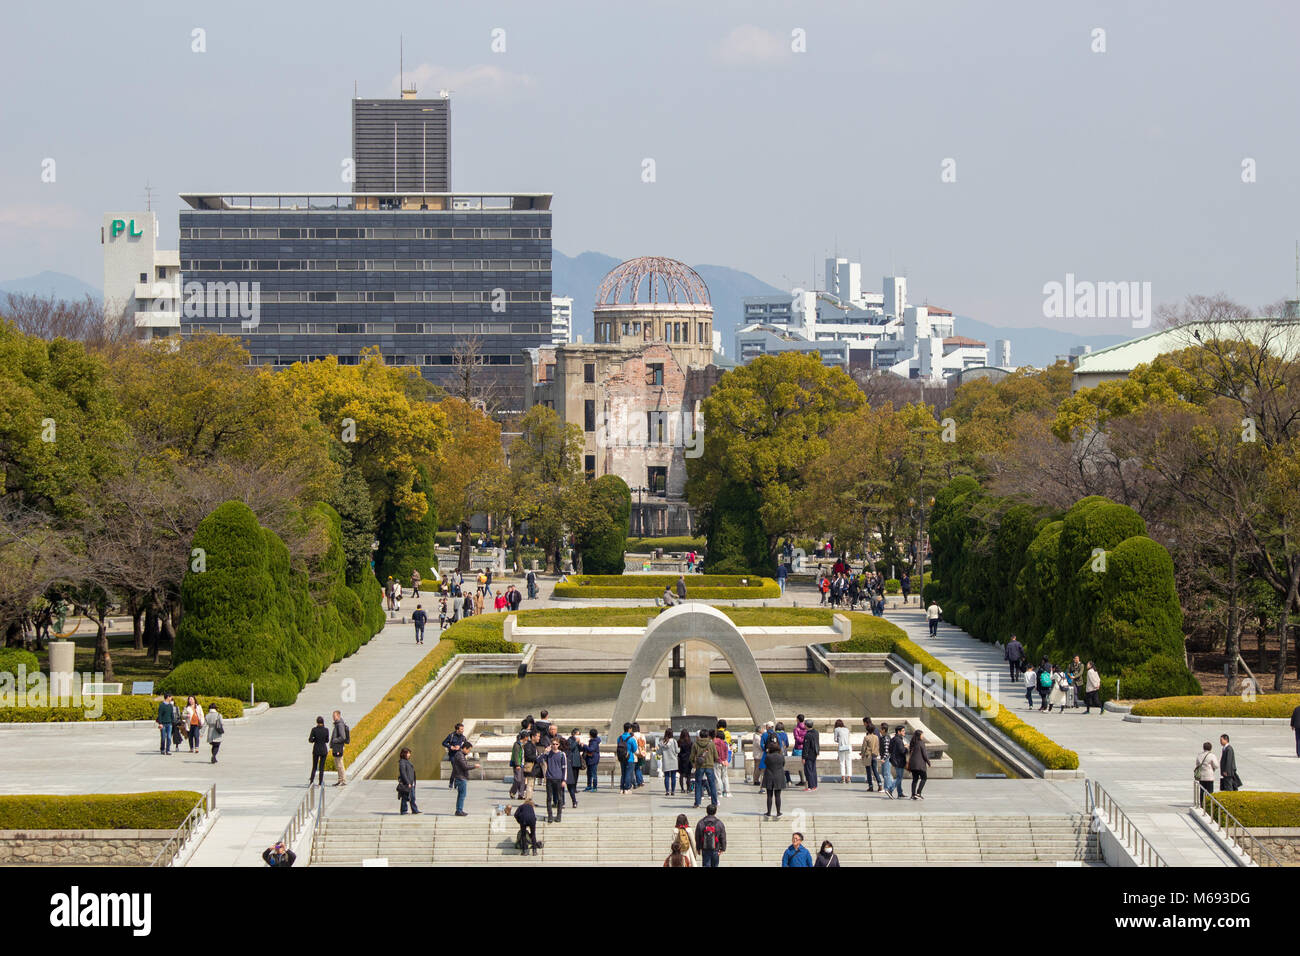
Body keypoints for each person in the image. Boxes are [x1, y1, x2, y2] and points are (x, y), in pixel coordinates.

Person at [690, 728, 718, 807]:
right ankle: (714, 803)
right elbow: (716, 756)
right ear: (707, 735)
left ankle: (697, 803)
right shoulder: (711, 744)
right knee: (712, 784)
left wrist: (694, 763)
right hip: (709, 766)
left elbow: (691, 757)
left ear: (700, 735)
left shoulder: (695, 744)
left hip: (699, 766)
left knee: (698, 784)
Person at [543, 738, 568, 823]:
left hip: (558, 779)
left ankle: (559, 815)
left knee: (560, 798)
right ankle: (550, 815)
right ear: (551, 745)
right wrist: (545, 752)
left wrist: (564, 780)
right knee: (549, 798)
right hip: (550, 778)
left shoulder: (562, 754)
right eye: (553, 744)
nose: (555, 746)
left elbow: (565, 767)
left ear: (559, 745)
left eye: (556, 744)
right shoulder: (548, 754)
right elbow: (539, 759)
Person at [762, 739, 786, 817]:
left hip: (769, 775)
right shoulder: (781, 756)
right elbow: (783, 764)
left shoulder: (768, 756)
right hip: (779, 776)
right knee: (778, 795)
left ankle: (768, 812)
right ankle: (778, 812)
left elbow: (765, 763)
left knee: (769, 795)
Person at [449, 739, 473, 815]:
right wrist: (474, 766)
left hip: (460, 777)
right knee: (462, 795)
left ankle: (459, 810)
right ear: (465, 748)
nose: (469, 752)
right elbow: (465, 767)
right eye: (468, 750)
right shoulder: (460, 755)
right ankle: (459, 810)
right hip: (461, 777)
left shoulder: (460, 754)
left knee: (461, 795)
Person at [908, 729, 932, 799]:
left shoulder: (913, 743)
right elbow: (924, 754)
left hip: (913, 764)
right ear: (919, 736)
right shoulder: (921, 743)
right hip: (920, 765)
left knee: (915, 779)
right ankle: (918, 793)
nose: (923, 736)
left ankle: (913, 794)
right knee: (924, 778)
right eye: (922, 735)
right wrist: (928, 762)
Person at [442, 723, 467, 789]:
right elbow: (444, 743)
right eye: (461, 729)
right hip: (453, 755)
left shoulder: (463, 737)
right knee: (456, 768)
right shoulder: (451, 736)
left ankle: (456, 782)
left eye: (463, 729)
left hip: (460, 756)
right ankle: (451, 782)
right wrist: (451, 747)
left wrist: (460, 747)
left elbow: (466, 745)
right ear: (457, 729)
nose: (463, 730)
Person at [861, 718, 882, 792]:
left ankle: (870, 786)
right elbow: (877, 745)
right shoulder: (876, 737)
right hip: (874, 755)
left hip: (868, 755)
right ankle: (880, 784)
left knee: (868, 771)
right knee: (875, 770)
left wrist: (862, 754)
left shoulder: (866, 737)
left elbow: (864, 747)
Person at [330, 710, 351, 786]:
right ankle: (340, 780)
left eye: (334, 716)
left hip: (339, 747)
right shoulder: (337, 724)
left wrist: (334, 740)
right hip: (336, 746)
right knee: (337, 764)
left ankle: (343, 780)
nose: (333, 717)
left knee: (340, 764)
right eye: (333, 716)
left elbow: (343, 737)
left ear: (338, 716)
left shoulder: (340, 725)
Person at [397, 747, 420, 814]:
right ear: (404, 754)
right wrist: (408, 782)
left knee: (412, 797)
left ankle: (414, 810)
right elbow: (403, 773)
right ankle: (404, 810)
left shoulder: (407, 761)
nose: (409, 755)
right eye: (408, 753)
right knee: (405, 797)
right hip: (406, 783)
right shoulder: (402, 762)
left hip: (411, 782)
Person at [887, 726, 908, 799]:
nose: (904, 732)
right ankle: (890, 790)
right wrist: (906, 748)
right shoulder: (899, 740)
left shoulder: (893, 739)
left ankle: (900, 793)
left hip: (894, 760)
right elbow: (902, 751)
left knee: (899, 776)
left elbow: (889, 749)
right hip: (899, 761)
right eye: (903, 731)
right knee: (899, 777)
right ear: (898, 732)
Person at [308, 716, 329, 786]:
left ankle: (311, 781)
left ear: (317, 722)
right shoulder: (326, 730)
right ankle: (320, 782)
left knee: (314, 767)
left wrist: (315, 739)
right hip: (323, 750)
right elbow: (327, 740)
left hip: (316, 749)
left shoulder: (314, 730)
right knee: (321, 768)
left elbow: (310, 740)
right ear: (323, 722)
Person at [617, 722, 637, 795]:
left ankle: (621, 788)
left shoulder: (619, 738)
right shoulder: (631, 739)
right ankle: (627, 788)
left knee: (623, 773)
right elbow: (635, 749)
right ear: (629, 729)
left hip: (621, 757)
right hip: (629, 758)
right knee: (628, 773)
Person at [659, 730, 680, 795]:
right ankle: (673, 791)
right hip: (673, 761)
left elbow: (659, 752)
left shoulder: (662, 742)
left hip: (666, 761)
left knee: (666, 777)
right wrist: (680, 749)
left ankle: (667, 791)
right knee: (673, 777)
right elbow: (677, 751)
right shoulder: (674, 741)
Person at [713, 724, 732, 798]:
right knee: (725, 776)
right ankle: (727, 791)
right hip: (724, 762)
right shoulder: (725, 743)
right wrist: (725, 760)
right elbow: (727, 752)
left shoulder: (715, 743)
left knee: (717, 777)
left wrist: (720, 760)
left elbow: (716, 754)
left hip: (717, 762)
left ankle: (719, 792)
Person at [802, 719, 820, 791]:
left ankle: (810, 786)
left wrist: (803, 757)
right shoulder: (816, 732)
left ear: (806, 725)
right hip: (814, 753)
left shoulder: (807, 735)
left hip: (809, 754)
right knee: (813, 770)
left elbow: (806, 747)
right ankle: (814, 785)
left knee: (808, 770)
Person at [566, 729, 582, 807]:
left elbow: (580, 749)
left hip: (577, 761)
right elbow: (570, 748)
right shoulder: (569, 740)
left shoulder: (577, 740)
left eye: (579, 734)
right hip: (572, 761)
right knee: (572, 776)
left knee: (576, 775)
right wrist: (576, 742)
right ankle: (572, 788)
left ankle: (574, 788)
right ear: (573, 734)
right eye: (577, 734)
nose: (578, 736)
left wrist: (580, 744)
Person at [878, 722, 895, 797]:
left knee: (886, 774)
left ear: (884, 730)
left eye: (881, 728)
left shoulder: (886, 738)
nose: (880, 730)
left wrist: (884, 758)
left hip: (886, 758)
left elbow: (887, 750)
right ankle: (890, 786)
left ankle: (887, 788)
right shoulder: (884, 737)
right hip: (885, 758)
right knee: (885, 773)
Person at [833, 718, 852, 784]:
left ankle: (843, 779)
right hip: (849, 747)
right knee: (849, 763)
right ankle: (849, 778)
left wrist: (839, 740)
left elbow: (835, 739)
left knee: (842, 762)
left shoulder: (836, 729)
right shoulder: (847, 729)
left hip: (841, 747)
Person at [509, 731, 527, 798]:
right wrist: (517, 764)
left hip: (523, 764)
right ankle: (512, 791)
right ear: (525, 737)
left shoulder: (524, 744)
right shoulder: (517, 744)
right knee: (518, 779)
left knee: (523, 780)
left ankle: (521, 794)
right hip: (518, 764)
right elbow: (516, 755)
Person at [633, 722, 648, 788]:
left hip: (635, 754)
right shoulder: (642, 735)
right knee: (638, 768)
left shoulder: (632, 735)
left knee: (636, 768)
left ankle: (639, 781)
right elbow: (644, 745)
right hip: (642, 753)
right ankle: (641, 781)